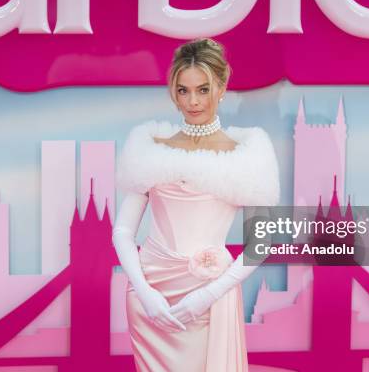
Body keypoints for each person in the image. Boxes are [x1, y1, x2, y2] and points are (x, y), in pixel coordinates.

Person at [112, 38, 280, 371]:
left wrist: (207, 295)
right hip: (150, 299)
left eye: (203, 89)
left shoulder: (247, 155)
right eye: (183, 90)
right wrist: (143, 292)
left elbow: (261, 242)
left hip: (209, 296)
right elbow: (122, 230)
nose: (192, 101)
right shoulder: (150, 148)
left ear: (222, 85)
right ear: (173, 90)